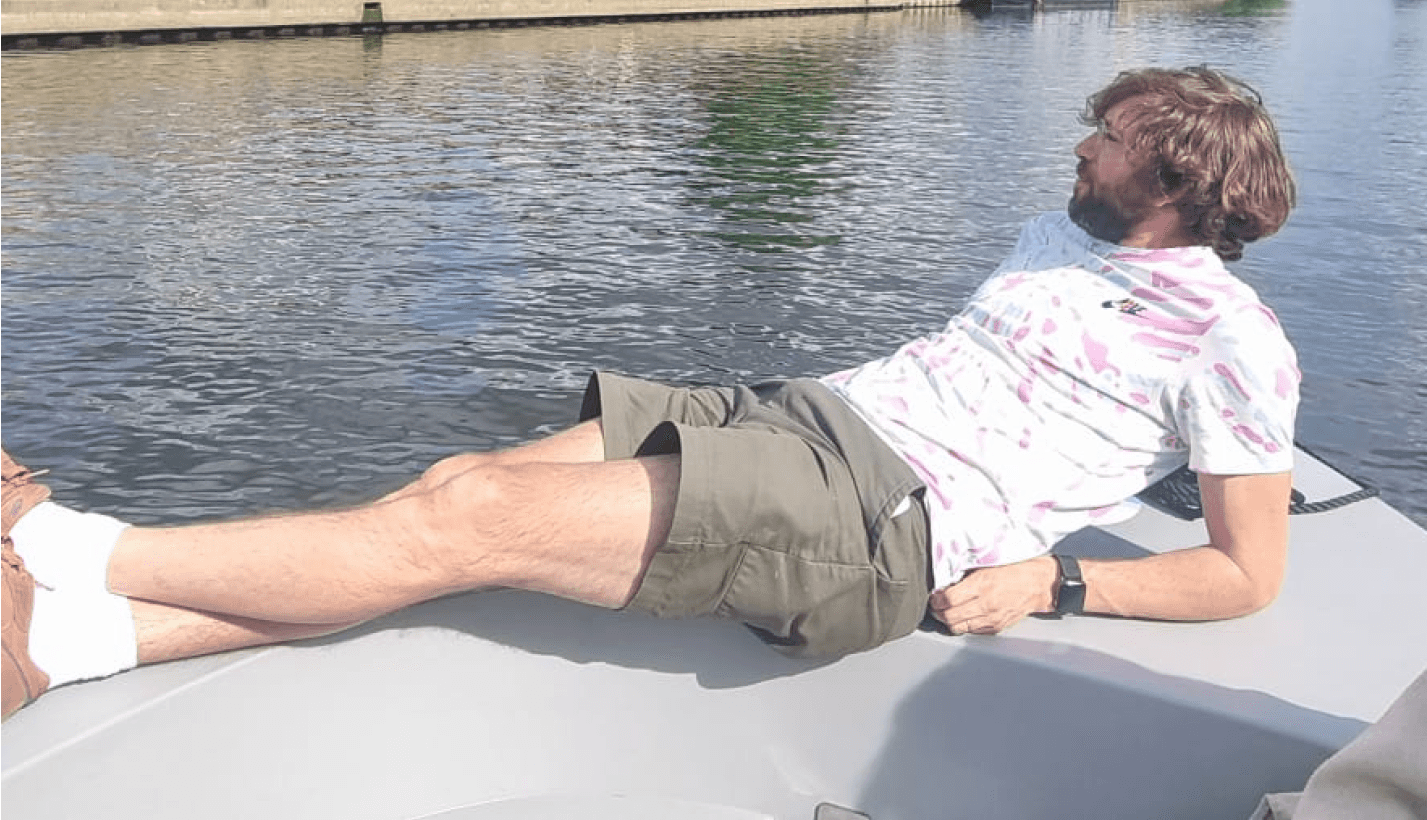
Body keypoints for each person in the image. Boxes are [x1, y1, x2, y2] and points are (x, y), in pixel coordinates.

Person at [2, 65, 1301, 721]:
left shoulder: (1236, 344)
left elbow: (1249, 575)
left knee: (458, 528)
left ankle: (60, 547)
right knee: (453, 495)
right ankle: (70, 646)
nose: (1083, 142)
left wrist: (1054, 581)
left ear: (1179, 175)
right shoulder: (1054, 230)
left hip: (883, 518)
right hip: (806, 417)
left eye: (1115, 135)